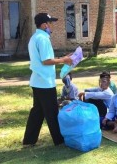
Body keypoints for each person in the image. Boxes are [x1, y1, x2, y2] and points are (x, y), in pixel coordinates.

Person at [23, 13, 73, 147]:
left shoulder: (35, 37)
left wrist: (63, 57)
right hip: (45, 83)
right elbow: (46, 61)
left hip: (37, 81)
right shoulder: (43, 39)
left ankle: (29, 140)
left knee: (37, 111)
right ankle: (59, 141)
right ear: (44, 25)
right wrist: (64, 60)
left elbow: (45, 58)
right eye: (50, 23)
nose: (52, 26)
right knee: (51, 112)